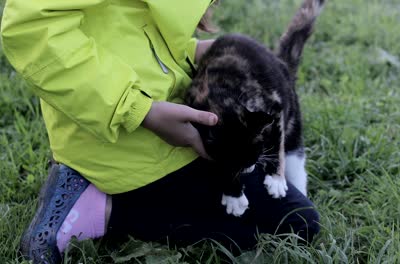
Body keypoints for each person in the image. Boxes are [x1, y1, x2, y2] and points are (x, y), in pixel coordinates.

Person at [1, 0, 320, 263]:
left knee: (268, 185)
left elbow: (131, 26)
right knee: (295, 221)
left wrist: (203, 52)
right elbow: (30, 28)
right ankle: (103, 208)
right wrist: (140, 110)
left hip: (151, 115)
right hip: (120, 131)